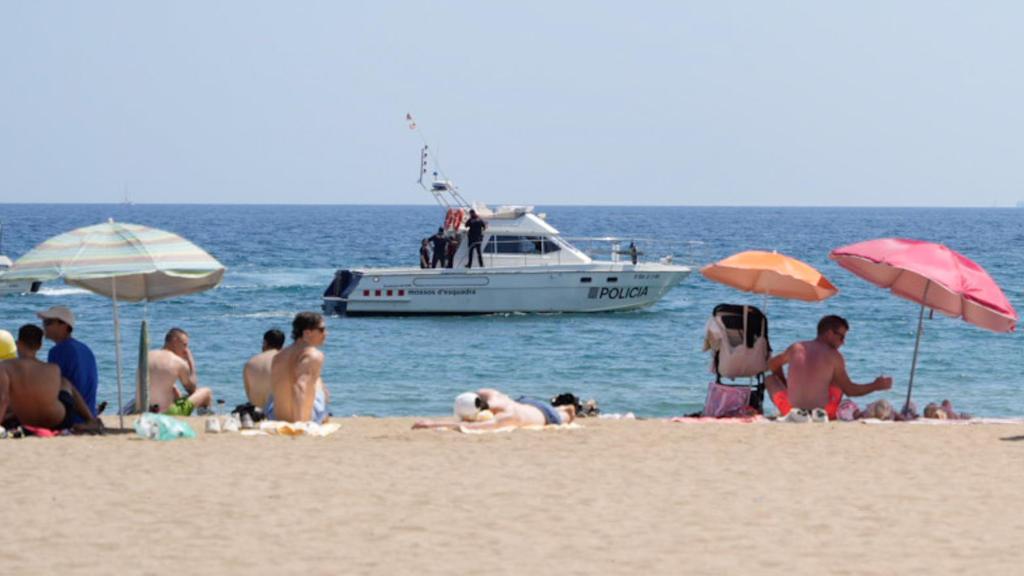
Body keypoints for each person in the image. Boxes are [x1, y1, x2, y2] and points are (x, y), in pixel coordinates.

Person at [765, 315, 893, 420]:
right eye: (841, 337)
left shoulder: (796, 348)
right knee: (837, 380)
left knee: (770, 379)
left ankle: (794, 413)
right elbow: (850, 390)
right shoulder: (834, 356)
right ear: (829, 333)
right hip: (822, 413)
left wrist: (785, 383)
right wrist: (876, 385)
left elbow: (773, 364)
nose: (843, 342)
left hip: (791, 411)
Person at [0, 324, 99, 432]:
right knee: (65, 383)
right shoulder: (53, 368)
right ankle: (90, 420)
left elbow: (3, 399)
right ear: (40, 346)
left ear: (17, 344)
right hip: (58, 421)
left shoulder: (5, 366)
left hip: (25, 420)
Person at [38, 306, 98, 423]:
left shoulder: (58, 350)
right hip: (88, 412)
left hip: (72, 417)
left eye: (48, 322)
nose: (44, 326)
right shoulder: (84, 348)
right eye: (44, 322)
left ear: (64, 326)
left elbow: (54, 387)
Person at [412, 388, 577, 431]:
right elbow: (477, 394)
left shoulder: (507, 417)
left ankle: (568, 408)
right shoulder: (492, 395)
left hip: (545, 415)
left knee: (565, 416)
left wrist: (432, 424)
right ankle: (562, 405)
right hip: (522, 401)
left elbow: (471, 427)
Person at [268, 312, 330, 423]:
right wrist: (299, 424)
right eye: (321, 330)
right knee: (318, 382)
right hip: (302, 417)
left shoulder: (278, 356)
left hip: (276, 417)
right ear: (307, 333)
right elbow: (300, 386)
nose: (326, 334)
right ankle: (322, 416)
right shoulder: (314, 355)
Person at [148, 327, 213, 415]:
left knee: (175, 390)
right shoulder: (178, 362)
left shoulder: (148, 355)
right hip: (167, 412)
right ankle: (203, 416)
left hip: (144, 409)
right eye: (184, 345)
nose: (186, 350)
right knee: (206, 392)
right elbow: (192, 390)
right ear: (175, 341)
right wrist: (191, 362)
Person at [243, 328, 285, 410]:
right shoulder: (286, 360)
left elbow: (249, 394)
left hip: (256, 412)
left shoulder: (250, 363)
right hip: (279, 412)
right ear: (282, 345)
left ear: (265, 343)